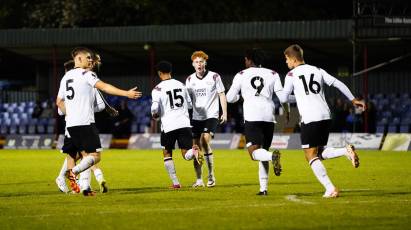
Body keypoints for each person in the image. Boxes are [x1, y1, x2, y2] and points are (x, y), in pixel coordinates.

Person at [278, 44, 366, 198]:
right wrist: (353, 99)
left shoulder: (291, 75)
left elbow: (284, 98)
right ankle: (345, 151)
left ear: (293, 59)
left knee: (310, 155)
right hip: (325, 115)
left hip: (310, 117)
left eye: (286, 59)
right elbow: (338, 83)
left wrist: (287, 94)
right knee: (319, 151)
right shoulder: (318, 70)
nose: (286, 62)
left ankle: (330, 188)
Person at [56, 47, 141, 193]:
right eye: (88, 57)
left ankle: (83, 188)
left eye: (91, 58)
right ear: (79, 59)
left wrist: (70, 114)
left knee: (74, 154)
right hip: (85, 122)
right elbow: (105, 87)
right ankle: (73, 173)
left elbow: (59, 102)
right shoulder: (86, 74)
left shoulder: (65, 77)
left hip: (70, 124)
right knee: (94, 156)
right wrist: (126, 93)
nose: (91, 60)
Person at [226, 48, 287, 195]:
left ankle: (273, 157)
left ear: (248, 60)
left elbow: (229, 98)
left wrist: (241, 97)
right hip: (269, 115)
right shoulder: (273, 74)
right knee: (262, 151)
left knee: (254, 153)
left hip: (252, 115)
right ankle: (263, 189)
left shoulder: (241, 75)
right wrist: (288, 111)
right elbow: (283, 97)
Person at [55, 54, 114, 194]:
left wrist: (71, 110)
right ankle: (83, 185)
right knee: (86, 155)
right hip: (82, 122)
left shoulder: (67, 80)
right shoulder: (88, 82)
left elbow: (59, 109)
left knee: (73, 155)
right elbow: (100, 105)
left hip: (71, 124)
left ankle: (74, 183)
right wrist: (83, 108)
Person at [151, 61, 203, 189]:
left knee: (167, 152)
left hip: (168, 125)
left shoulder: (157, 89)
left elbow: (154, 108)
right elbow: (190, 105)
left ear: (159, 73)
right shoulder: (181, 85)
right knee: (186, 154)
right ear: (170, 71)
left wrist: (155, 115)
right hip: (184, 123)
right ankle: (194, 151)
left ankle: (176, 183)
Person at [185, 51, 228, 187]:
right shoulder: (190, 80)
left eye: (201, 61)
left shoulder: (214, 76)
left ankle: (211, 176)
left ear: (205, 63)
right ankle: (199, 180)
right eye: (196, 62)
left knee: (204, 141)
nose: (199, 64)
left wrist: (224, 113)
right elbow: (187, 100)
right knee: (196, 147)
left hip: (211, 115)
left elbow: (221, 94)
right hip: (196, 117)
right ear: (193, 64)